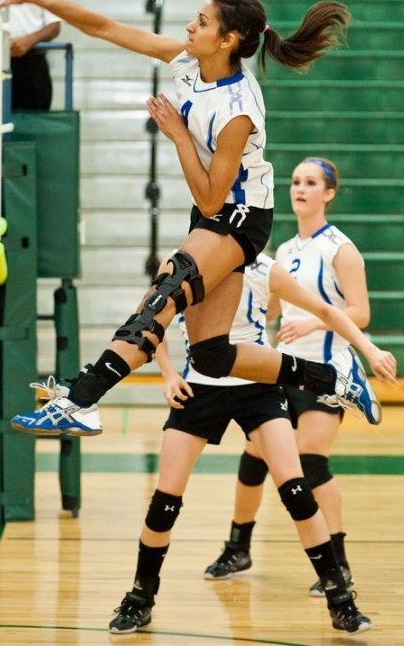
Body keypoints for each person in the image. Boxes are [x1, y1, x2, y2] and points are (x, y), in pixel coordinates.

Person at [0, 0, 395, 435]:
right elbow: (105, 28)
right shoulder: (187, 61)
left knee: (161, 296)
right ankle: (334, 379)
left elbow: (210, 194)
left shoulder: (237, 110)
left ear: (228, 39)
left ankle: (82, 399)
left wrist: (179, 136)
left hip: (240, 215)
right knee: (212, 356)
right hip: (212, 213)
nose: (189, 28)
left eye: (201, 22)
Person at [107, 249, 389, 635]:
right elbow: (148, 320)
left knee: (296, 491)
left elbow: (327, 311)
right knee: (164, 500)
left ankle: (341, 603)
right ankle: (139, 601)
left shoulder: (263, 266)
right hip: (200, 389)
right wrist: (169, 374)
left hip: (257, 385)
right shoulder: (185, 261)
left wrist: (370, 351)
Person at [205, 157, 375, 596]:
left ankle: (339, 564)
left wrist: (315, 324)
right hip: (284, 370)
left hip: (326, 371)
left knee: (310, 462)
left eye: (311, 183)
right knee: (253, 455)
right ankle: (238, 547)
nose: (300, 189)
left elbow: (360, 311)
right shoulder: (284, 251)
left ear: (329, 193)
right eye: (296, 182)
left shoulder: (341, 249)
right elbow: (274, 304)